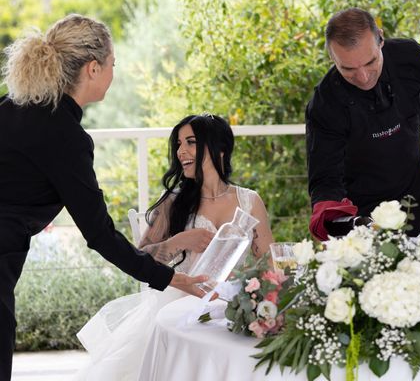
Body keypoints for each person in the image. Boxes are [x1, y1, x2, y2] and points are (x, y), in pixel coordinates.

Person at [0, 14, 205, 381]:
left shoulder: (11, 106)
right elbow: (100, 235)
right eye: (113, 64)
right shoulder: (65, 136)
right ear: (93, 69)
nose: (114, 72)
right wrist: (169, 278)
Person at [75, 113, 274, 380]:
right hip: (182, 306)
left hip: (234, 309)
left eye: (191, 142)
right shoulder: (174, 201)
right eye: (179, 144)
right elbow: (139, 257)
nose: (181, 151)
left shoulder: (250, 200)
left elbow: (270, 266)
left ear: (220, 148)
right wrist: (179, 241)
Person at [306, 8, 420, 239]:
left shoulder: (411, 58)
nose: (363, 77)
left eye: (370, 61)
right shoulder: (326, 103)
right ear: (332, 59)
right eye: (348, 69)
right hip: (362, 209)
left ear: (381, 39)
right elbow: (325, 177)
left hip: (415, 194)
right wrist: (328, 220)